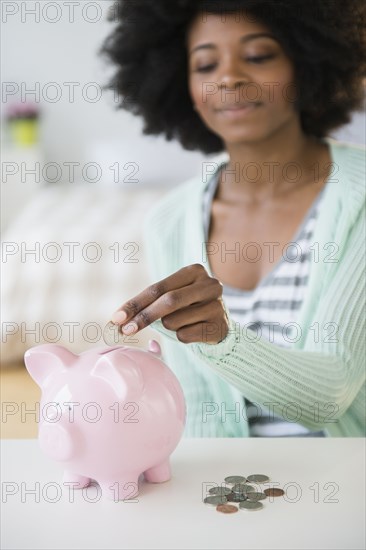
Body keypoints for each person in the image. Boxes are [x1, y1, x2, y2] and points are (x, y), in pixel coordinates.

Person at [100, 0, 366, 437]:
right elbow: (194, 405)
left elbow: (330, 394)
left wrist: (223, 338)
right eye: (205, 65)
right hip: (217, 488)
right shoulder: (169, 220)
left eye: (259, 56)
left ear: (306, 62)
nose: (228, 78)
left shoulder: (359, 195)